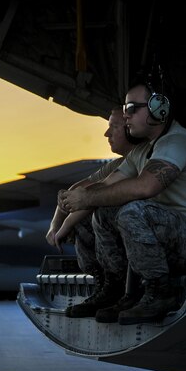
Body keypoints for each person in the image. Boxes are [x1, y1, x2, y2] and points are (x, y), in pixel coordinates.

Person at [58, 83, 186, 325]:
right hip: (173, 239)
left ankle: (159, 294)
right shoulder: (142, 152)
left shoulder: (177, 142)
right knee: (104, 210)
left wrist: (85, 198)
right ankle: (116, 290)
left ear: (158, 109)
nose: (125, 115)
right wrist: (71, 208)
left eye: (131, 108)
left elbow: (145, 187)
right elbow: (107, 186)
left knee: (132, 210)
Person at [45, 108, 140, 285]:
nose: (107, 133)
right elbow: (81, 188)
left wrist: (66, 225)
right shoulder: (121, 164)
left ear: (129, 130)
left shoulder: (142, 160)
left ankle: (115, 282)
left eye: (114, 126)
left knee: (94, 214)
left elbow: (97, 195)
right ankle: (103, 280)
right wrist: (55, 225)